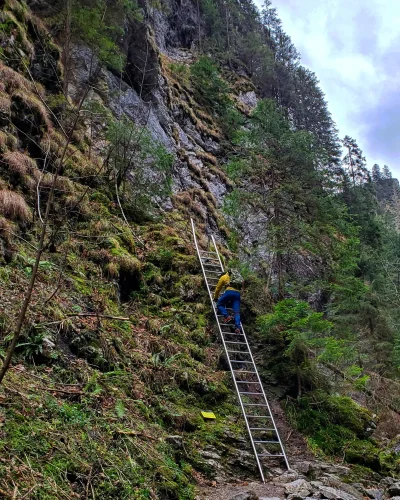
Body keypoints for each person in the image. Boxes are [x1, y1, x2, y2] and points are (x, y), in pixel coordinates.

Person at [213, 268, 244, 334]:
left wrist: (215, 297)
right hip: (237, 294)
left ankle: (227, 316)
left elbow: (218, 289)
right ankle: (238, 327)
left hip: (229, 292)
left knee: (219, 304)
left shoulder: (224, 277)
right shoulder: (236, 278)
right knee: (236, 312)